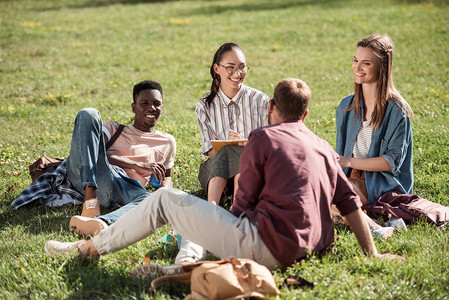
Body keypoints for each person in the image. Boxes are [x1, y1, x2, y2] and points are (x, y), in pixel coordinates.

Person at [45, 78, 403, 275]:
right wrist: (371, 254)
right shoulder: (324, 147)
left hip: (265, 246)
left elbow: (243, 202)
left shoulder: (263, 136)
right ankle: (183, 267)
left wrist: (221, 224)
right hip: (305, 251)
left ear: (270, 108)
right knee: (195, 216)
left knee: (168, 200)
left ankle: (89, 249)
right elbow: (349, 203)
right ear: (306, 113)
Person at [13, 80, 176, 236]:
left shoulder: (167, 141)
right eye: (145, 103)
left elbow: (167, 176)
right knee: (89, 113)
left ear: (163, 107)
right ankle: (90, 199)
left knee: (149, 201)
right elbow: (92, 152)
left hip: (125, 189)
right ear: (134, 107)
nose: (151, 108)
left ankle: (101, 221)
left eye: (156, 104)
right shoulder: (114, 128)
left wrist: (163, 190)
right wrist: (140, 164)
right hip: (94, 176)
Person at [335, 34, 413, 237]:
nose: (357, 68)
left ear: (382, 67)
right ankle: (379, 222)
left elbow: (391, 162)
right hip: (349, 177)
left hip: (380, 183)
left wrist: (347, 161)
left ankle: (376, 228)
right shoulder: (346, 106)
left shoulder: (397, 110)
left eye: (366, 63)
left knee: (329, 197)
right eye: (355, 60)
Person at [196, 42, 269, 205]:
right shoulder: (205, 106)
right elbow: (210, 153)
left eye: (242, 67)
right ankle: (222, 208)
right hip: (216, 173)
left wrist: (249, 145)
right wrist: (230, 145)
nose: (237, 73)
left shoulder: (261, 101)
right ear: (217, 69)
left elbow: (270, 146)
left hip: (254, 170)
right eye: (230, 67)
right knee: (232, 150)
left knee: (243, 153)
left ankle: (232, 206)